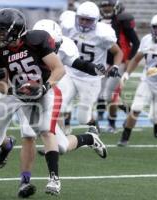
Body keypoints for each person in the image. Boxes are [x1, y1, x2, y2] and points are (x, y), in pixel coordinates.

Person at [0, 8, 65, 198]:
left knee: (46, 130)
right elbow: (4, 88)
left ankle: (54, 179)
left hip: (38, 91)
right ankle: (6, 144)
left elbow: (59, 69)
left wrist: (44, 88)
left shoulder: (37, 40)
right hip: (12, 93)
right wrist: (1, 80)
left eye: (1, 30)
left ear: (16, 30)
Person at [32, 19, 108, 158]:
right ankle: (54, 141)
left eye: (52, 45)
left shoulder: (65, 47)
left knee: (70, 120)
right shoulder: (28, 45)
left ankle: (60, 141)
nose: (48, 48)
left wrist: (95, 69)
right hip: (38, 85)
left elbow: (78, 64)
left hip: (56, 81)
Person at [117, 13, 157, 147]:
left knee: (155, 116)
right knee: (136, 108)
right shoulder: (146, 39)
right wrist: (126, 74)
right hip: (147, 81)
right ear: (152, 27)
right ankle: (125, 137)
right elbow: (136, 59)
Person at [61, 1, 123, 131]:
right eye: (81, 19)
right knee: (60, 106)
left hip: (91, 79)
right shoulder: (68, 27)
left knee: (83, 118)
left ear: (95, 20)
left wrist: (115, 66)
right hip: (70, 73)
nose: (83, 22)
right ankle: (59, 139)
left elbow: (118, 52)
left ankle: (95, 127)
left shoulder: (103, 34)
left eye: (88, 20)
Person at [97, 0, 140, 132]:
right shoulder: (96, 20)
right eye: (104, 6)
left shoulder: (122, 20)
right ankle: (128, 112)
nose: (106, 8)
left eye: (109, 5)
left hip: (119, 61)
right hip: (103, 61)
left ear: (115, 7)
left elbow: (136, 42)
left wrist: (129, 60)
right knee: (100, 93)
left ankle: (111, 124)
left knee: (109, 94)